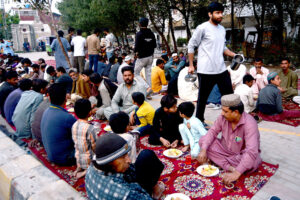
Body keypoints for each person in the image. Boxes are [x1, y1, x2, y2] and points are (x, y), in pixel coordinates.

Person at [187, 2, 236, 123]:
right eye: (217, 13)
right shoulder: (202, 28)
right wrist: (191, 65)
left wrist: (234, 55)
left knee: (230, 97)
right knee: (202, 98)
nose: (220, 15)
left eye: (221, 13)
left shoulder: (222, 29)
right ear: (210, 14)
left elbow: (223, 48)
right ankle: (199, 121)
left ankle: (233, 119)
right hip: (206, 70)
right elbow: (191, 45)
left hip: (221, 69)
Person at [198, 94, 262, 185]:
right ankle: (229, 167)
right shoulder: (222, 118)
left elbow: (251, 151)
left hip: (239, 156)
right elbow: (212, 132)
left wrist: (236, 173)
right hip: (224, 151)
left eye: (225, 111)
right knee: (203, 141)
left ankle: (224, 164)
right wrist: (203, 150)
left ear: (235, 112)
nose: (222, 113)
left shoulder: (250, 124)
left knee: (253, 161)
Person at [85, 133, 164, 200]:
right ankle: (155, 192)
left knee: (145, 156)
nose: (129, 160)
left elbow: (132, 169)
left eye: (126, 155)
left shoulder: (93, 166)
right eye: (123, 157)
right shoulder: (125, 193)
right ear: (110, 162)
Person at [41, 83, 77, 165]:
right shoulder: (67, 117)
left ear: (49, 98)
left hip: (51, 154)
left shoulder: (46, 111)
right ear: (65, 99)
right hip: (65, 158)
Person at [72, 99, 97, 178]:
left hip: (78, 158)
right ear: (90, 113)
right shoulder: (90, 128)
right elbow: (95, 146)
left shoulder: (74, 125)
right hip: (88, 161)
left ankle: (79, 168)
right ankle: (86, 171)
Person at [134, 17, 156, 89]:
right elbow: (154, 45)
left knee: (136, 73)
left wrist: (135, 53)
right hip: (150, 57)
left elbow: (136, 46)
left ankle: (147, 88)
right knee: (148, 75)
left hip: (142, 57)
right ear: (147, 24)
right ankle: (150, 92)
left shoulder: (139, 34)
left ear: (139, 24)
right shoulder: (152, 33)